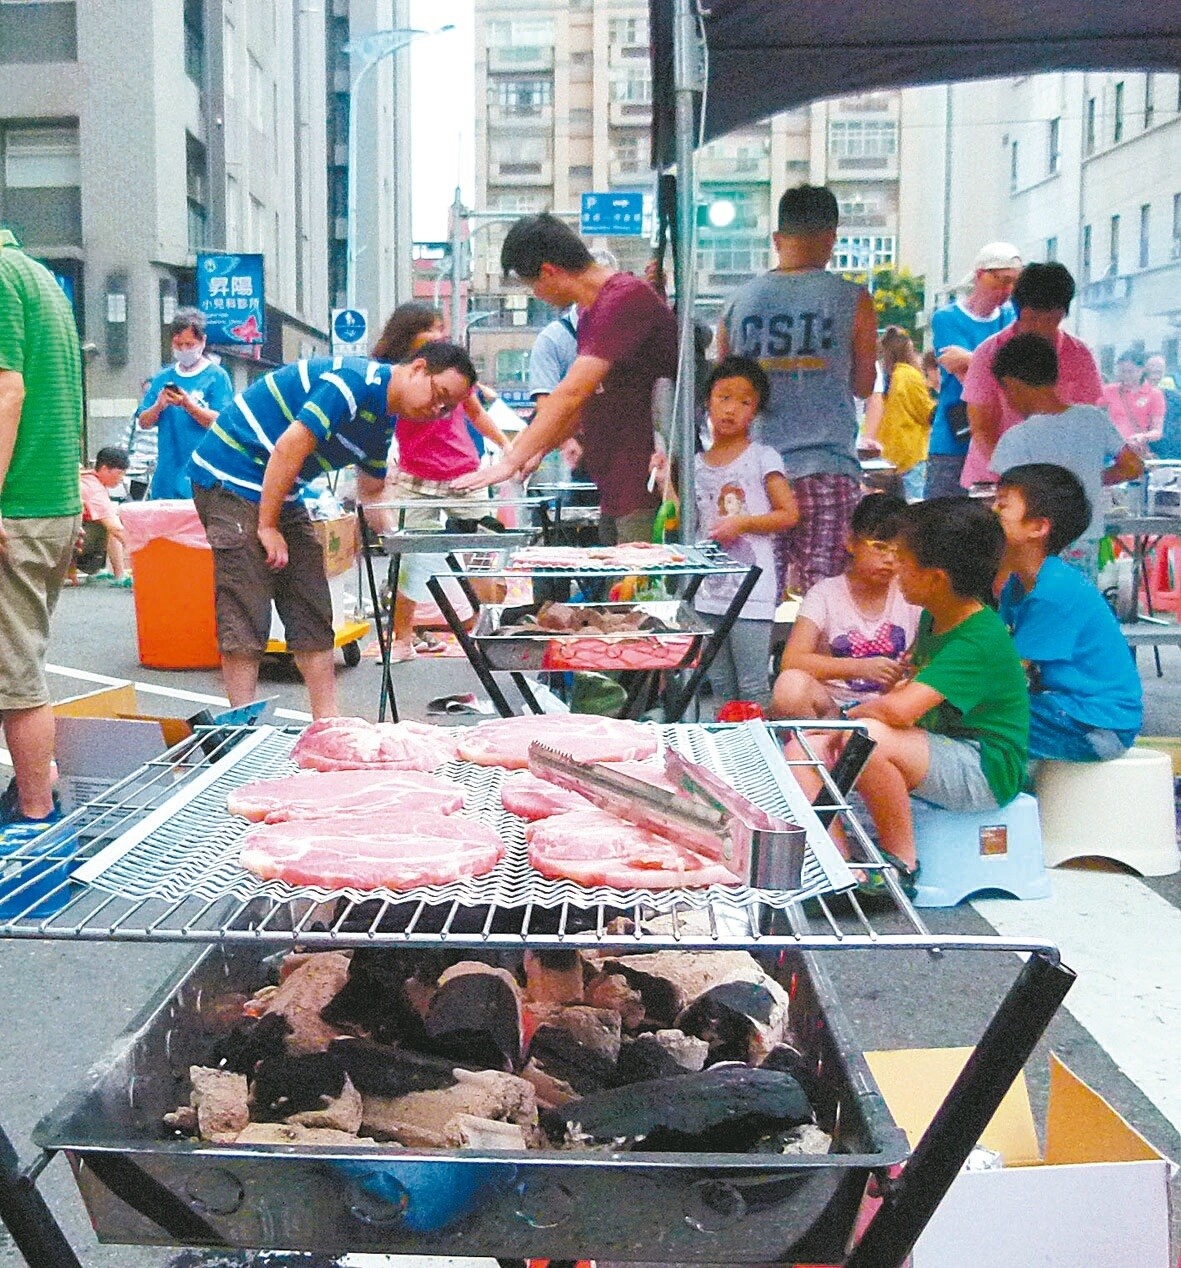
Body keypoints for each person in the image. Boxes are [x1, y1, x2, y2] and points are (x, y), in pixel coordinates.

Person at [187, 341, 476, 716]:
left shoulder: (382, 420)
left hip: (281, 488)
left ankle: (327, 719)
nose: (437, 409)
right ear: (418, 368)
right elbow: (291, 446)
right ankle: (240, 722)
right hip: (229, 473)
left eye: (447, 408)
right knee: (246, 599)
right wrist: (268, 525)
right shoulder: (355, 383)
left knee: (310, 595)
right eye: (439, 395)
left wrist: (396, 543)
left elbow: (371, 491)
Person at [802, 499, 1029, 887]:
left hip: (985, 768)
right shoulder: (934, 616)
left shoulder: (978, 637)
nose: (896, 571)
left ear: (936, 578)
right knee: (803, 749)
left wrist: (849, 718)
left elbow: (899, 711)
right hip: (939, 746)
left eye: (904, 561)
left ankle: (901, 864)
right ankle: (839, 866)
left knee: (868, 738)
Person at [454, 214, 677, 546]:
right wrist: (537, 450)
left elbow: (571, 393)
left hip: (650, 484)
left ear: (548, 271)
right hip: (615, 483)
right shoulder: (591, 311)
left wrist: (512, 459)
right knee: (615, 591)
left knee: (638, 592)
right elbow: (581, 405)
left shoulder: (624, 298)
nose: (536, 295)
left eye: (533, 285)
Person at [715, 185, 878, 595]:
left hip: (755, 473)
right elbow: (864, 385)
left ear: (777, 239)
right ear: (831, 238)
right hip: (827, 469)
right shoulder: (853, 300)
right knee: (825, 600)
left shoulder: (737, 304)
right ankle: (811, 662)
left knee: (754, 596)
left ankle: (759, 661)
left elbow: (723, 395)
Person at [369, 302, 510, 662]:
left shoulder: (451, 375)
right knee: (408, 561)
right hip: (414, 479)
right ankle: (402, 639)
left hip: (466, 474)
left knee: (483, 557)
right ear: (409, 331)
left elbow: (476, 413)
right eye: (433, 328)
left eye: (442, 329)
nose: (440, 335)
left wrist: (508, 448)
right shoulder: (389, 374)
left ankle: (490, 632)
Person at [0, 226, 84, 829]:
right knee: (15, 660)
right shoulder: (38, 278)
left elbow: (8, 392)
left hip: (18, 507)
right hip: (47, 500)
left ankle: (34, 820)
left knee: (15, 673)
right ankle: (35, 791)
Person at [994, 463, 1142, 764]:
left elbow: (1007, 672)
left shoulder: (1053, 591)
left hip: (1096, 726)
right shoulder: (1018, 584)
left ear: (1038, 527)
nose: (991, 512)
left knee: (976, 719)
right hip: (1069, 711)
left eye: (1002, 505)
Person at [686, 356, 799, 714]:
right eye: (724, 398)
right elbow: (688, 518)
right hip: (707, 591)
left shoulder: (762, 457)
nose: (731, 409)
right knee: (719, 684)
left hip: (753, 588)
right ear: (708, 401)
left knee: (751, 684)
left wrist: (744, 523)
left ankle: (759, 755)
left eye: (744, 402)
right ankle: (729, 755)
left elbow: (788, 514)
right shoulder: (695, 463)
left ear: (756, 411)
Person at [990, 333, 1143, 579]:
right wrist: (1090, 478)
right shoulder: (1092, 418)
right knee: (1077, 605)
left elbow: (1006, 497)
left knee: (1039, 607)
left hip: (1037, 545)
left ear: (1011, 384)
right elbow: (1133, 466)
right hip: (1086, 538)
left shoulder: (1017, 438)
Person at [771, 493, 919, 719]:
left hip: (891, 709)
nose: (889, 559)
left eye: (898, 551)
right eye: (880, 546)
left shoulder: (911, 593)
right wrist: (860, 667)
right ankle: (818, 744)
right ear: (851, 541)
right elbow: (792, 660)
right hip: (833, 706)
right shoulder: (825, 594)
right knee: (789, 687)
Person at [960, 262, 1103, 489]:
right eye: (1033, 319)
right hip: (993, 479)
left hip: (1054, 481)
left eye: (1051, 320)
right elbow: (982, 427)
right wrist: (1016, 475)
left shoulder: (1079, 354)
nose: (1041, 328)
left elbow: (1086, 420)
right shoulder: (989, 353)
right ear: (1017, 311)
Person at [925, 242, 1021, 498]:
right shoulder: (946, 318)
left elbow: (1013, 372)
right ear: (981, 275)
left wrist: (971, 358)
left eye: (1014, 283)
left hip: (996, 440)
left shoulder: (1011, 318)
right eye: (1002, 280)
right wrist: (997, 366)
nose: (1007, 289)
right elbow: (968, 377)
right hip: (954, 440)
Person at [135, 308, 234, 499]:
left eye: (189, 344)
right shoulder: (163, 377)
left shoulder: (216, 376)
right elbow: (143, 421)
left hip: (203, 473)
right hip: (167, 474)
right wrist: (159, 405)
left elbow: (221, 421)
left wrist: (188, 404)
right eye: (178, 344)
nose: (183, 349)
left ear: (202, 341)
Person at [875, 327, 933, 501]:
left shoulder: (887, 377)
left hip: (888, 452)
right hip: (911, 452)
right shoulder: (910, 376)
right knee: (914, 508)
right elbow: (926, 412)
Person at [74, 445, 132, 585]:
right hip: (70, 543)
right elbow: (116, 529)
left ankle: (104, 570)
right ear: (105, 469)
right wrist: (140, 551)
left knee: (107, 517)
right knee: (111, 524)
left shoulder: (85, 478)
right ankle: (119, 575)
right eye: (119, 473)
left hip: (65, 534)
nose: (121, 478)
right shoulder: (94, 488)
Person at [1100, 349, 1165, 455]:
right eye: (1122, 371)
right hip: (1110, 450)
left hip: (1135, 452)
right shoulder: (1108, 390)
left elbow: (1157, 431)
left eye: (1130, 371)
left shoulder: (1154, 394)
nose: (1125, 375)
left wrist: (1143, 437)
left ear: (1142, 370)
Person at [1145, 353, 1181, 460]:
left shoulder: (1175, 398)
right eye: (1150, 372)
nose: (1154, 376)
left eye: (1158, 372)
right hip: (1143, 460)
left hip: (1173, 459)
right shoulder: (1127, 397)